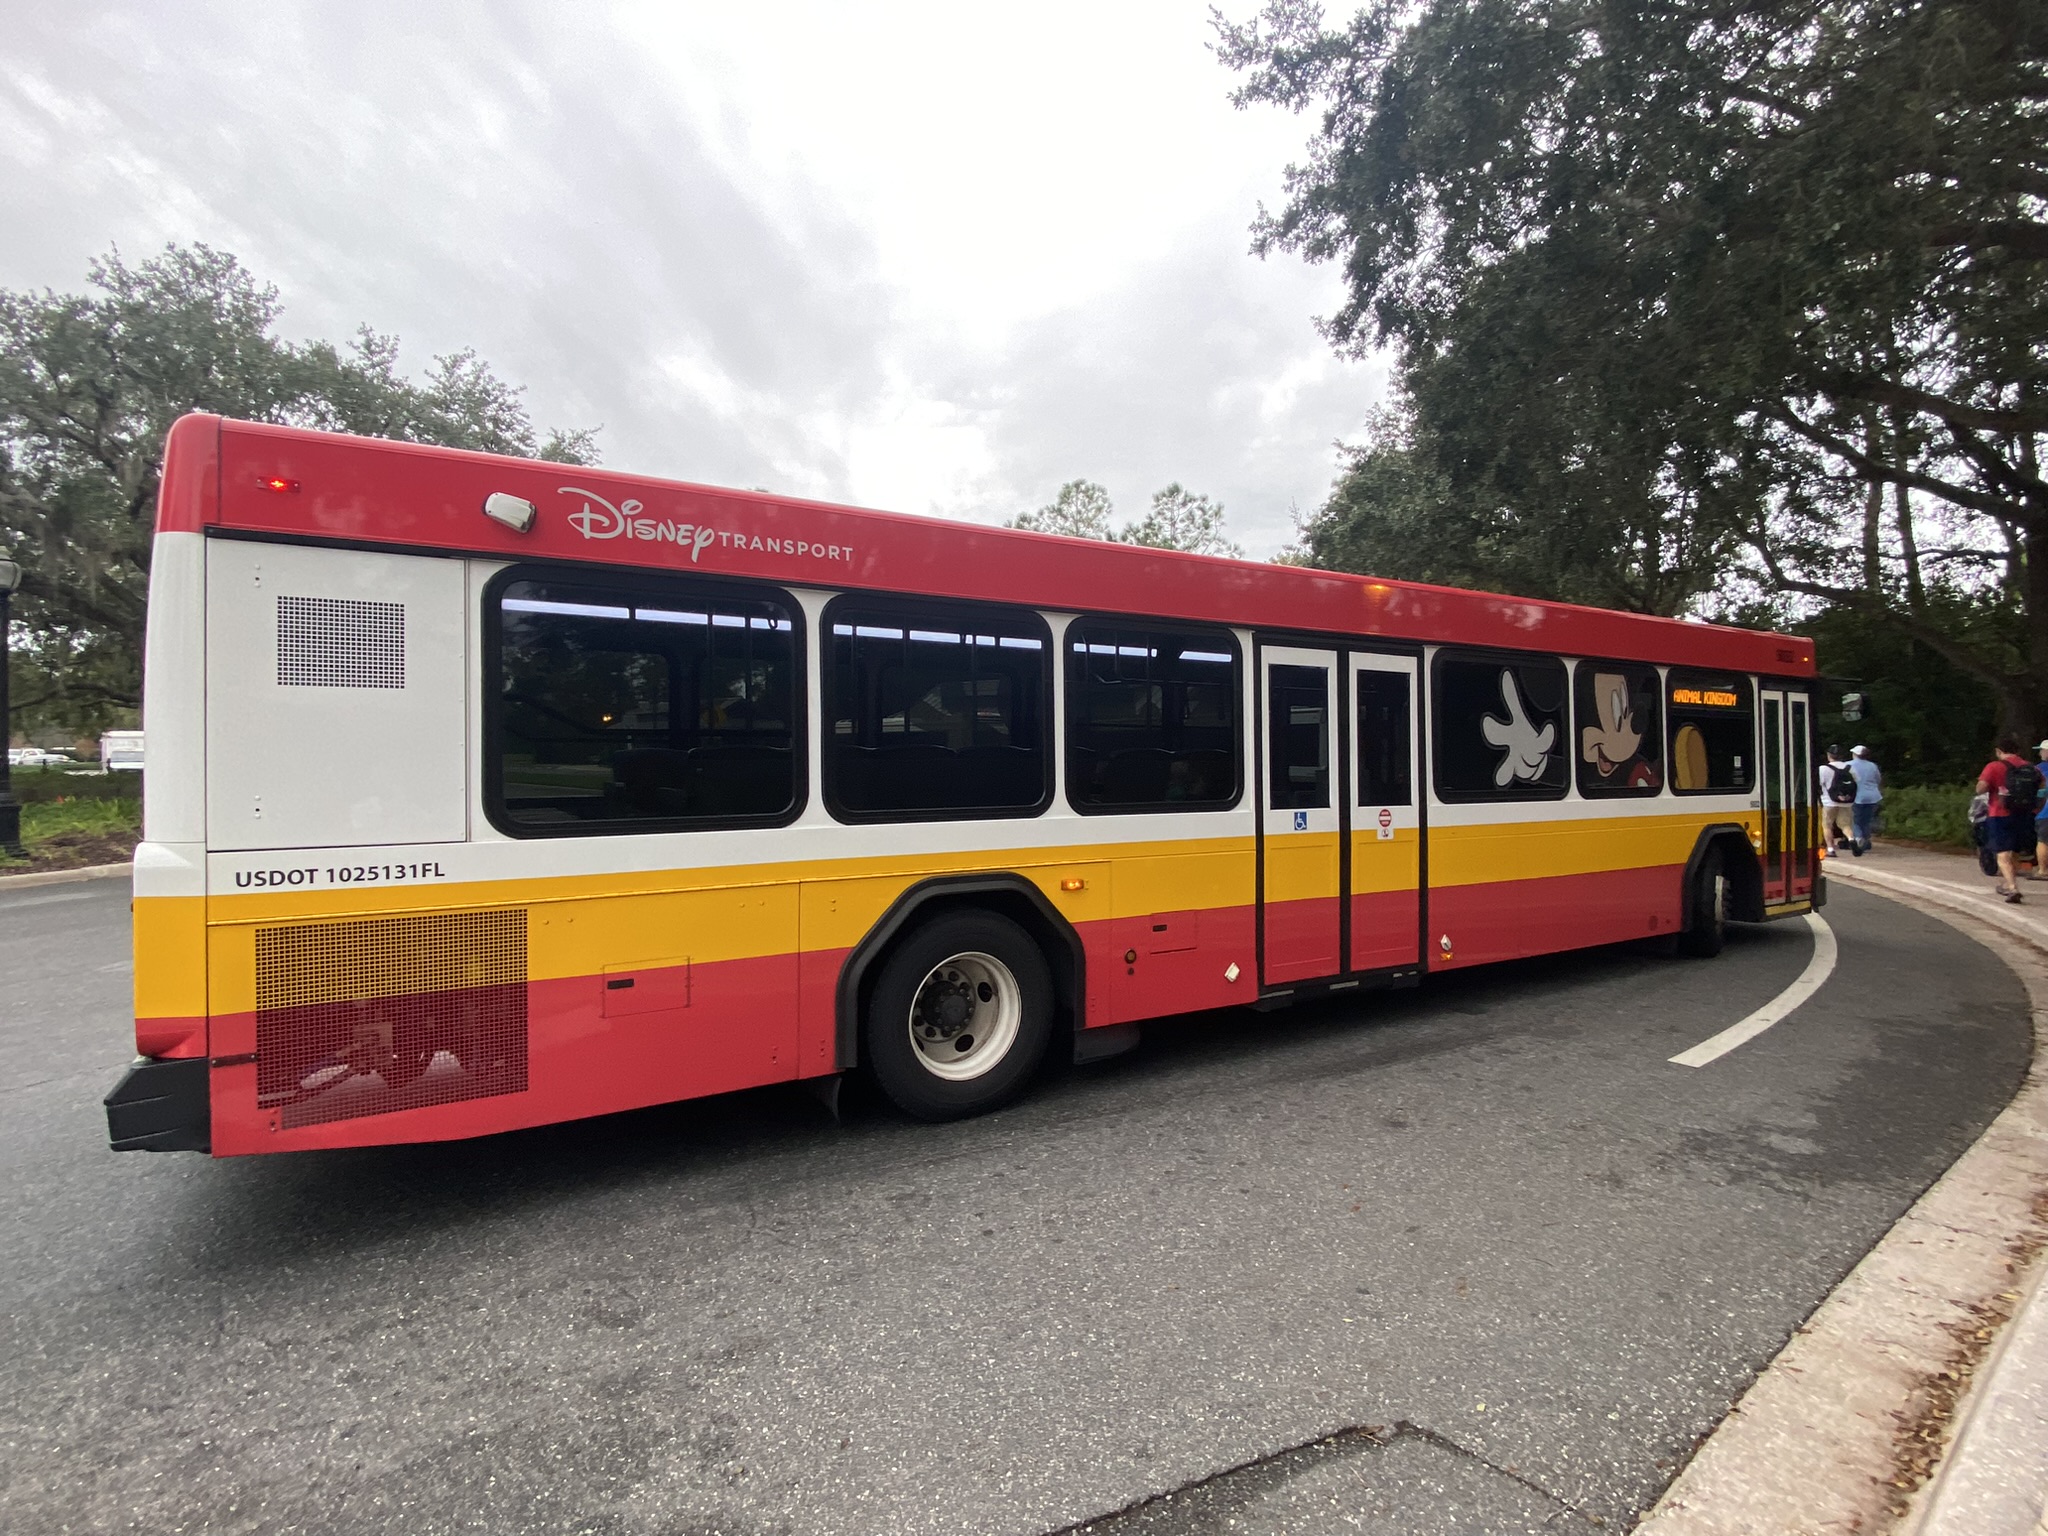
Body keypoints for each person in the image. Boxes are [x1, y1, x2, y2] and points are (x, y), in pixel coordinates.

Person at [1976, 735, 2032, 902]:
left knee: (2002, 854)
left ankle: (2013, 888)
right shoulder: (2029, 768)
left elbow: (1981, 789)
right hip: (2024, 814)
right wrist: (2034, 808)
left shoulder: (1994, 766)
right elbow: (2042, 790)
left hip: (1999, 814)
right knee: (2015, 851)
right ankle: (2007, 884)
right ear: (2018, 751)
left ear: (1999, 751)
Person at [1818, 744, 1856, 855]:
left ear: (1829, 755)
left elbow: (1819, 784)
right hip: (1846, 802)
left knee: (1827, 825)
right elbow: (1856, 781)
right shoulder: (1850, 768)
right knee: (1845, 825)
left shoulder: (1823, 769)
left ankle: (1830, 849)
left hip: (1829, 801)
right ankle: (1851, 839)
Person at [1848, 744, 1883, 855]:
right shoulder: (1873, 766)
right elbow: (1878, 779)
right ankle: (1867, 840)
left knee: (1855, 819)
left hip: (1857, 796)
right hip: (1873, 796)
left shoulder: (1848, 765)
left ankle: (1858, 838)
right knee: (1867, 820)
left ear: (1856, 755)